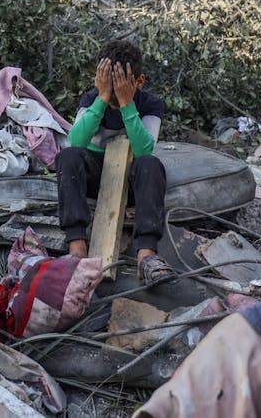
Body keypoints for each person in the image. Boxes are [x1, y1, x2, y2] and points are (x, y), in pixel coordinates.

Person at [57, 40, 177, 285]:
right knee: (67, 157)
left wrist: (126, 103)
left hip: (132, 178)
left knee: (152, 165)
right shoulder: (93, 98)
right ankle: (77, 248)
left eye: (118, 88)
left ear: (138, 82)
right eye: (108, 88)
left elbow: (144, 149)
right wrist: (102, 99)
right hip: (95, 175)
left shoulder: (150, 104)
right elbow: (76, 140)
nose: (112, 94)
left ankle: (146, 256)